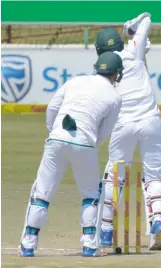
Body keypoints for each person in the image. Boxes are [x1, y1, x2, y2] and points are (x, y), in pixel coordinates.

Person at [18, 52, 123, 257]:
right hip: (85, 144)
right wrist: (90, 144)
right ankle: (90, 245)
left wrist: (53, 132)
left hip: (56, 139)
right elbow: (104, 131)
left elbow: (52, 108)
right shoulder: (114, 97)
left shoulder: (75, 81)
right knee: (91, 195)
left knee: (42, 193)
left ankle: (29, 243)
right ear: (116, 74)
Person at [94, 12, 161, 250]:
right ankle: (157, 221)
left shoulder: (101, 68)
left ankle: (106, 231)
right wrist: (130, 28)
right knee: (154, 176)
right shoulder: (134, 50)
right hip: (151, 121)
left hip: (122, 124)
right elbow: (147, 17)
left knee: (114, 175)